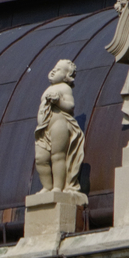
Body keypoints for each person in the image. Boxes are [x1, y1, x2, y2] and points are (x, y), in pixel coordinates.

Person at [35, 59, 85, 194]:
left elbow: (70, 106)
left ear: (66, 76)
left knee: (57, 156)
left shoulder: (64, 88)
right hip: (43, 128)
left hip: (59, 123)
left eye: (57, 70)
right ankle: (47, 186)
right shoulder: (48, 89)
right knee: (40, 159)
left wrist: (58, 101)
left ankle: (58, 187)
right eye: (54, 68)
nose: (53, 71)